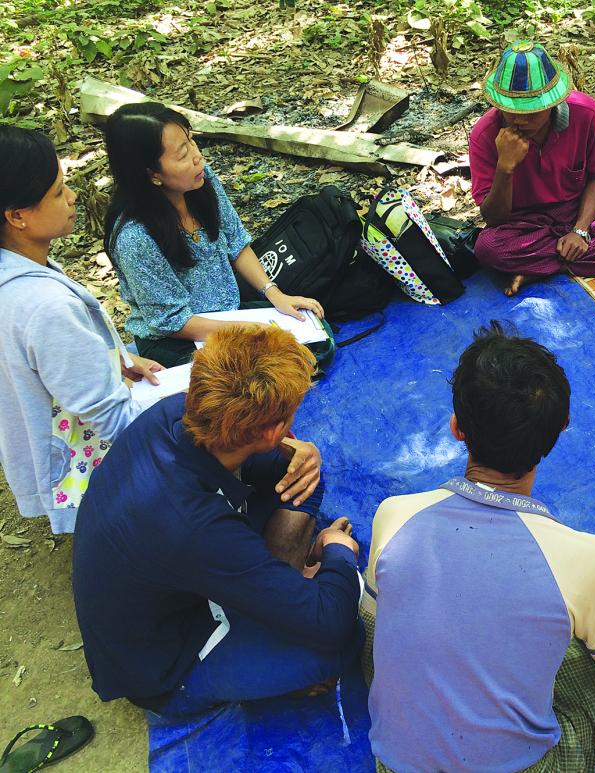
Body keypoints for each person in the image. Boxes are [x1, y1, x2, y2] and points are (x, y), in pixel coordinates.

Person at [362, 322, 595, 772]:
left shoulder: (395, 515)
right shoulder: (586, 557)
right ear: (559, 431)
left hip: (394, 765)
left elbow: (382, 620)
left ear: (457, 428)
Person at [73, 325, 361, 715]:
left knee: (300, 477)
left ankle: (279, 591)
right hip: (167, 668)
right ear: (273, 430)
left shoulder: (174, 411)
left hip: (177, 574)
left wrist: (302, 449)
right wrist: (337, 553)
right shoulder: (192, 523)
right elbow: (332, 624)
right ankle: (270, 618)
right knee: (341, 642)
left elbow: (286, 462)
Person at [0, 125, 164, 535]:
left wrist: (116, 361)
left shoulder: (18, 270)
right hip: (89, 464)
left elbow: (44, 364)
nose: (72, 197)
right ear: (16, 215)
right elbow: (115, 421)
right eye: (57, 192)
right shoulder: (46, 307)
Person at [103, 102, 324, 367]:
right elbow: (171, 321)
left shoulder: (201, 181)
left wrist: (275, 294)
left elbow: (235, 242)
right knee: (274, 369)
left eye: (192, 142)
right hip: (176, 339)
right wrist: (247, 331)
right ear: (152, 175)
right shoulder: (135, 238)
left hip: (227, 310)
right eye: (183, 155)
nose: (197, 157)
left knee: (318, 342)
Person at [470, 41, 595, 297]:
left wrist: (580, 230)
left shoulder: (585, 113)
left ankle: (539, 268)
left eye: (532, 111)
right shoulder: (484, 135)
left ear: (552, 103)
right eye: (512, 111)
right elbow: (494, 219)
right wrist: (505, 167)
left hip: (578, 209)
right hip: (522, 223)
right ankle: (560, 260)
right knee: (488, 249)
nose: (521, 120)